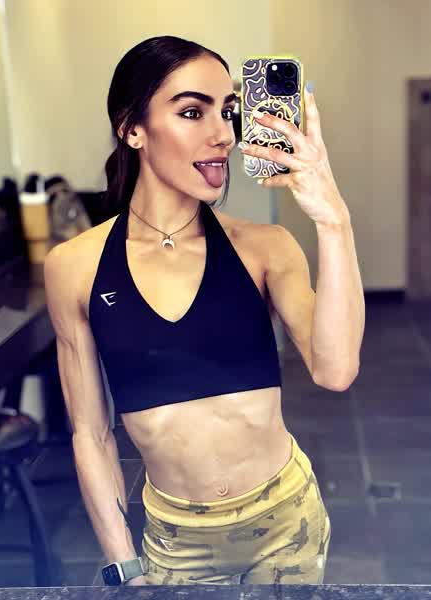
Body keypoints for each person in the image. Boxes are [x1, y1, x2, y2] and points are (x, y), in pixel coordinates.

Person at [44, 35, 354, 586]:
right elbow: (90, 434)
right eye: (192, 111)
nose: (223, 135)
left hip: (287, 524)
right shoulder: (75, 267)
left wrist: (333, 220)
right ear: (132, 129)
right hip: (175, 543)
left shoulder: (265, 248)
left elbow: (335, 371)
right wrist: (124, 566)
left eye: (228, 111)